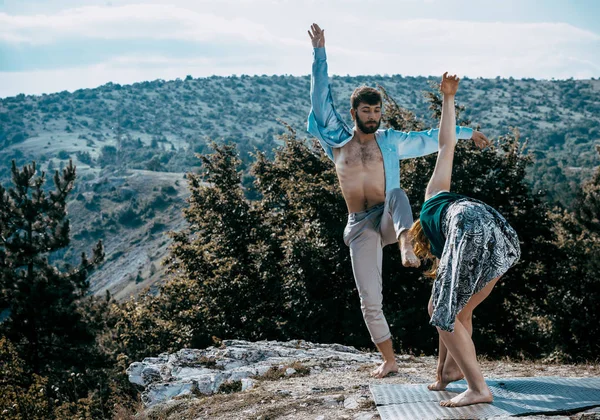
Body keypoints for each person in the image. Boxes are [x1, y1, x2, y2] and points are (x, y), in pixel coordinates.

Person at [306, 23, 491, 378]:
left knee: (396, 193)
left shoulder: (391, 141)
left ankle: (407, 245)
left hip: (392, 219)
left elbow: (430, 139)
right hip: (360, 225)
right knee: (369, 299)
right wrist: (319, 53)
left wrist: (467, 133)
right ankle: (389, 359)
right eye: (366, 112)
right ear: (354, 113)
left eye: (377, 112)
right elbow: (320, 96)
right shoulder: (336, 140)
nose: (373, 117)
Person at [408, 72, 521, 407]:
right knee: (454, 310)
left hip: (467, 222)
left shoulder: (433, 205)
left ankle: (477, 388)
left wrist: (447, 99)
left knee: (437, 307)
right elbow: (448, 144)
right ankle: (453, 374)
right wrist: (447, 96)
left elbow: (446, 142)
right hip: (496, 227)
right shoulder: (438, 201)